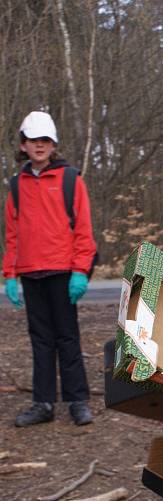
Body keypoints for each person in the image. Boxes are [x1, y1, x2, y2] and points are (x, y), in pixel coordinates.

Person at [2, 111, 95, 427]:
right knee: (40, 339)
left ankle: (77, 401)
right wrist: (10, 276)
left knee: (67, 337)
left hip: (62, 272)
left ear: (52, 144)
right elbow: (12, 236)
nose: (39, 146)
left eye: (45, 140)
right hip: (30, 273)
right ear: (23, 145)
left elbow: (83, 230)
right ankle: (42, 403)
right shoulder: (16, 186)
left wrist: (81, 271)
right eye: (33, 140)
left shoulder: (71, 180)